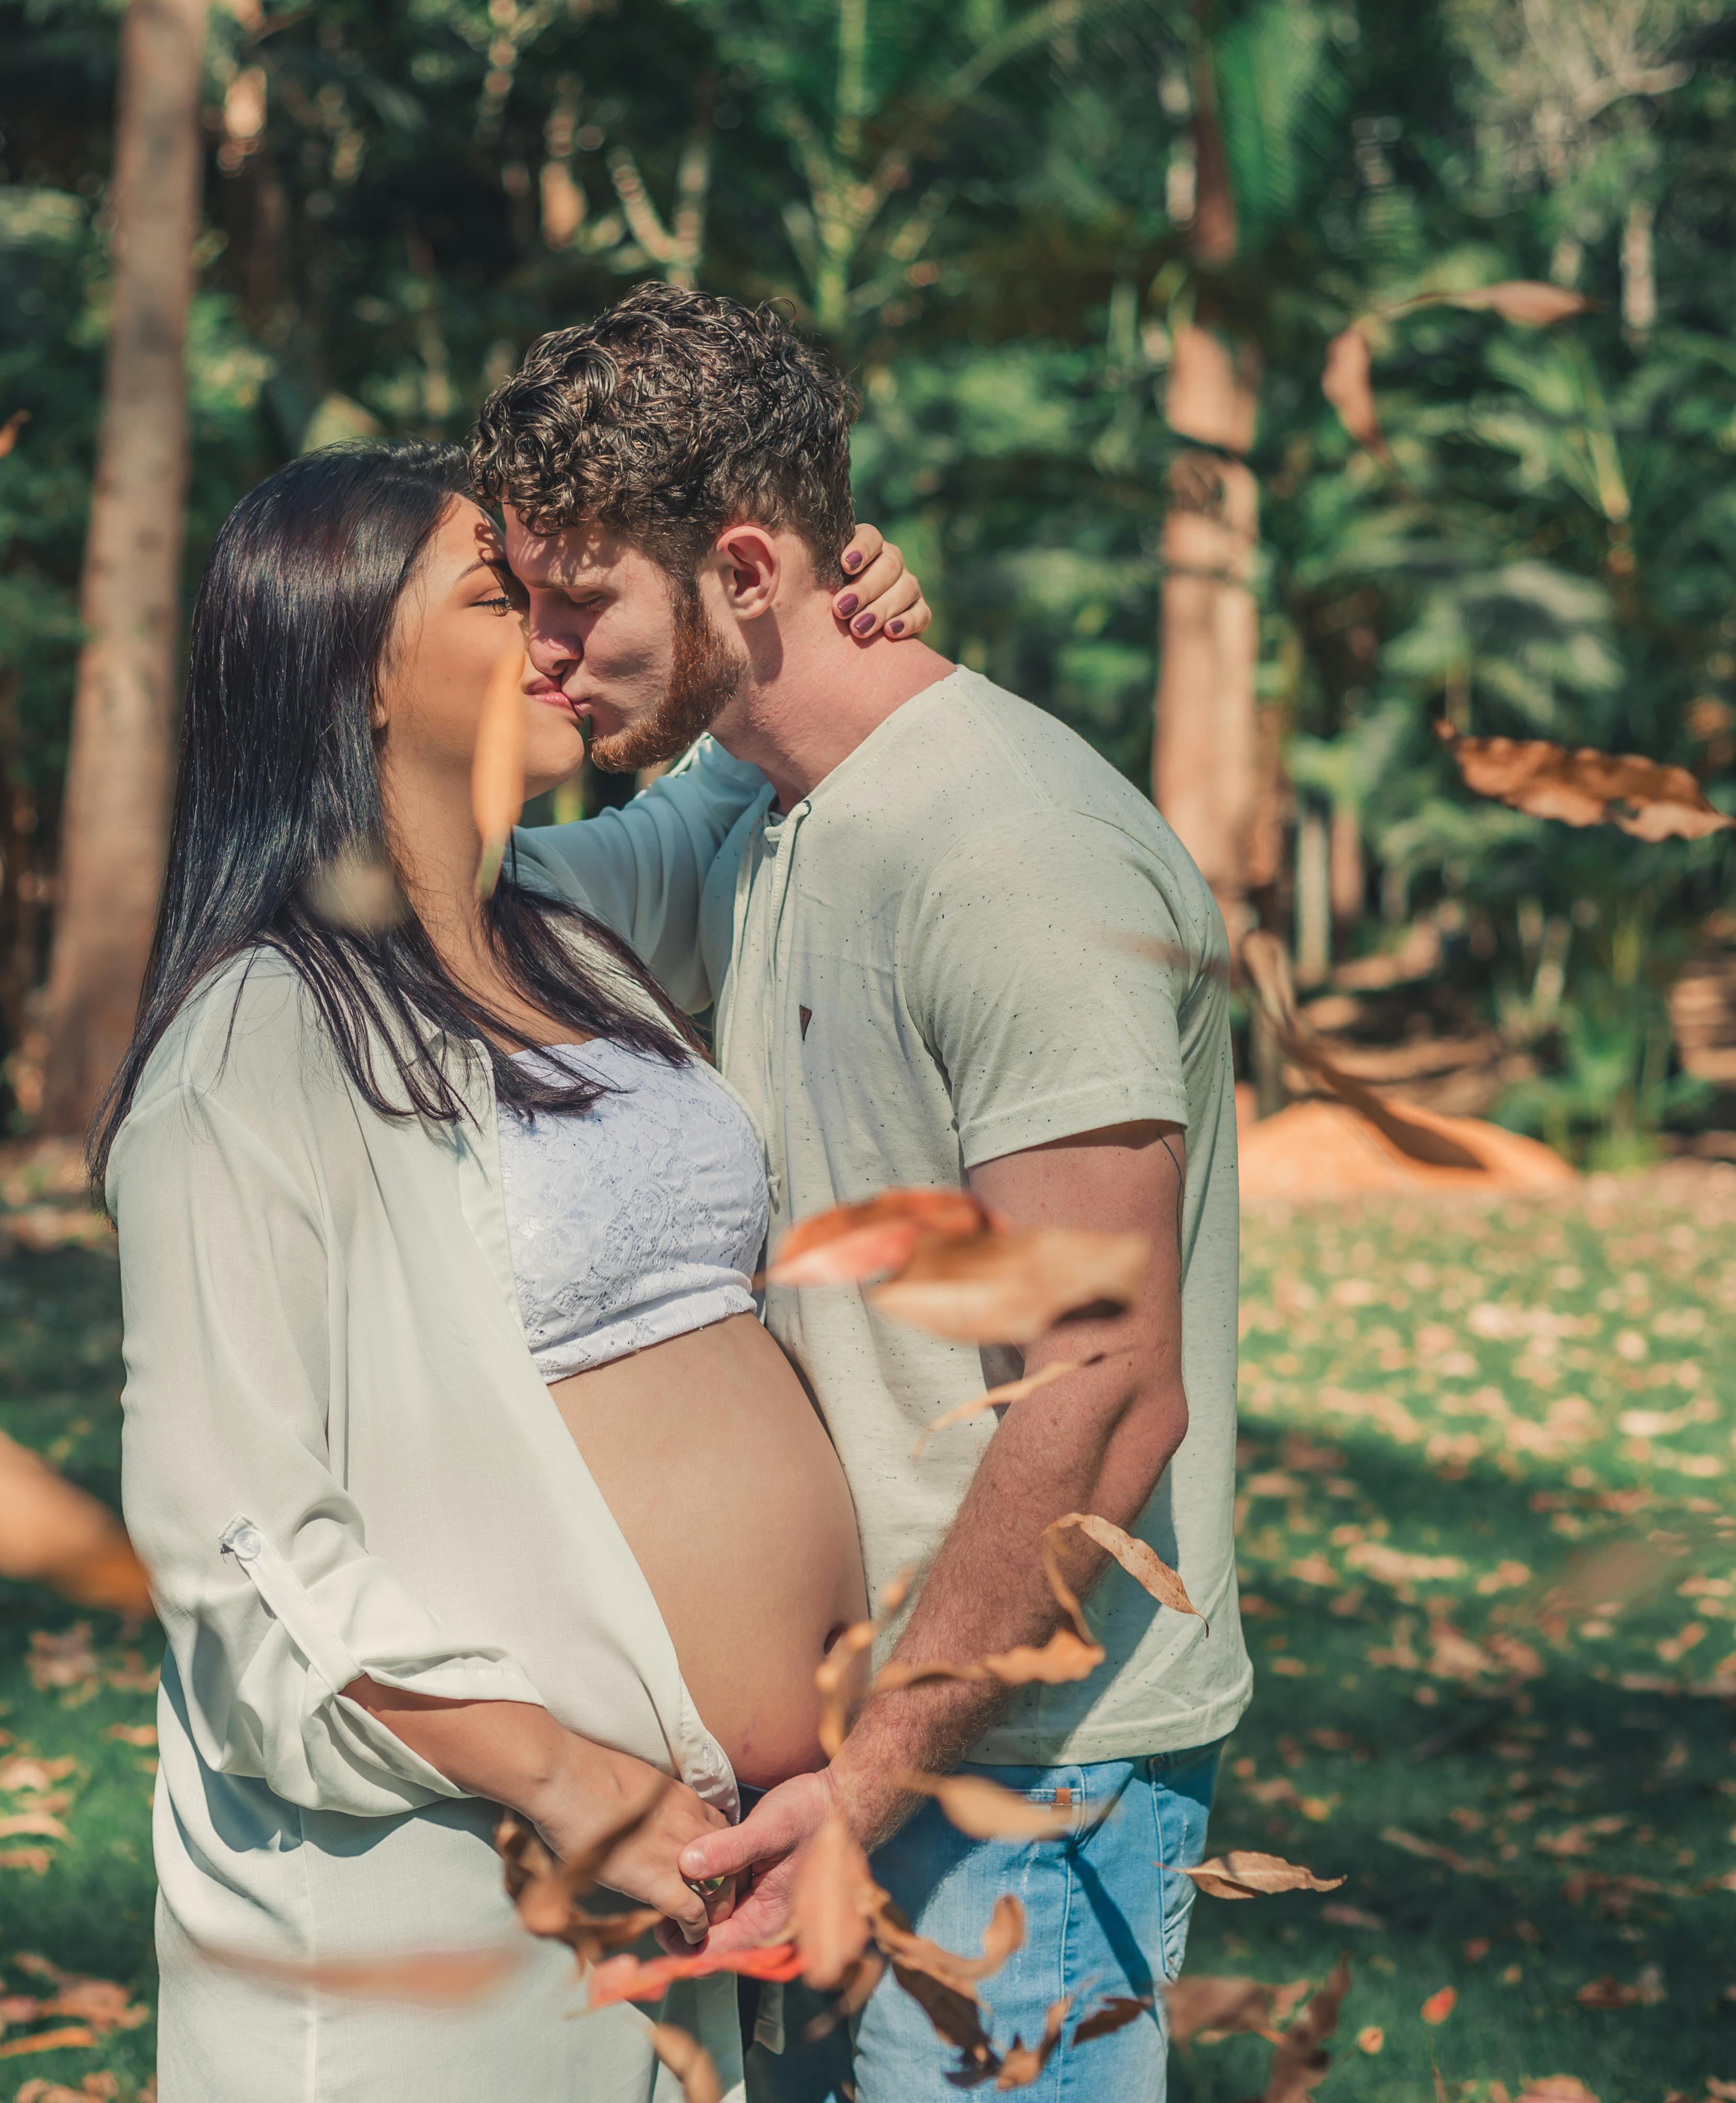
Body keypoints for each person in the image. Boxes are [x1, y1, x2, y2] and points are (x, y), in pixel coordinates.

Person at [487, 284, 1255, 2103]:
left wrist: (877, 1775)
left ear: (744, 568)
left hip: (1012, 1770)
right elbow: (451, 901)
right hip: (854, 1760)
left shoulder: (1010, 851)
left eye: (575, 600)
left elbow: (1105, 1391)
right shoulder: (757, 818)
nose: (540, 654)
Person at [97, 439, 931, 2102]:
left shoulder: (563, 928)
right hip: (455, 1905)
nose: (559, 623)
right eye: (504, 590)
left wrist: (833, 602)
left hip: (713, 1891)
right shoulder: (255, 1049)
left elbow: (739, 781)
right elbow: (241, 1551)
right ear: (360, 674)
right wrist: (574, 1787)